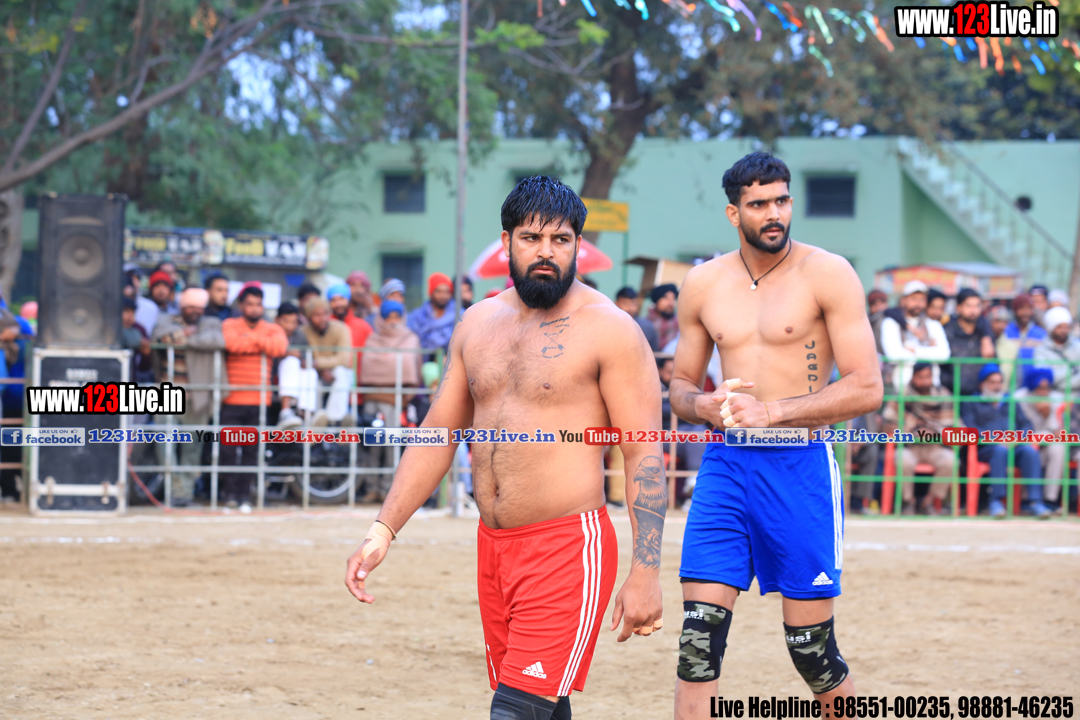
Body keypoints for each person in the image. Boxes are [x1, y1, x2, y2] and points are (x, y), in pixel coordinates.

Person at [345, 176, 666, 720]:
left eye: (560, 240)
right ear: (506, 242)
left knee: (515, 708)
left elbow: (644, 454)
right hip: (494, 548)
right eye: (531, 238)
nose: (546, 252)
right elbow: (438, 433)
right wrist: (382, 531)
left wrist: (646, 570)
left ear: (577, 245)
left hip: (567, 547)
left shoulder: (611, 330)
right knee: (541, 704)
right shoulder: (476, 322)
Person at [667, 152, 882, 716]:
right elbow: (680, 386)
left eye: (782, 200)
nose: (774, 214)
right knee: (696, 646)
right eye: (759, 204)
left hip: (800, 464)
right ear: (733, 213)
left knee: (812, 652)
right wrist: (704, 405)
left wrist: (773, 411)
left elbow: (867, 387)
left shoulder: (828, 273)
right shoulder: (703, 283)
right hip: (726, 466)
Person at [151, 288, 226, 506]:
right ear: (182, 307)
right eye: (190, 307)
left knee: (192, 449)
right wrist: (190, 336)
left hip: (196, 396)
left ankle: (184, 494)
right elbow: (160, 337)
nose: (195, 311)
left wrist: (185, 339)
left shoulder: (211, 322)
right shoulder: (166, 319)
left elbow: (216, 340)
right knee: (164, 445)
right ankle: (174, 489)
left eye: (199, 307)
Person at [220, 286, 288, 509]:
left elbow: (279, 347)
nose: (254, 308)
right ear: (241, 305)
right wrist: (261, 343)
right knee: (228, 450)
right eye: (249, 304)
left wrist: (249, 338)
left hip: (259, 400)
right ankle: (229, 494)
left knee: (252, 451)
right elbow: (231, 343)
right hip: (232, 399)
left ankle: (244, 495)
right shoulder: (229, 324)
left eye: (258, 304)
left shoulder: (273, 328)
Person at [961, 364, 1052, 519]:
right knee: (1000, 451)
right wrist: (998, 439)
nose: (997, 386)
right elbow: (972, 429)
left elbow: (1026, 425)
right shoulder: (972, 403)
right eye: (992, 382)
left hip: (1014, 446)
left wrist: (1016, 438)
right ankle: (996, 502)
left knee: (1029, 452)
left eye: (999, 382)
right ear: (982, 384)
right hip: (987, 449)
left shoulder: (1009, 401)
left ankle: (1035, 502)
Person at [357, 299, 422, 502]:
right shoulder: (372, 339)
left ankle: (388, 490)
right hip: (372, 399)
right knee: (372, 445)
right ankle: (371, 489)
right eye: (389, 317)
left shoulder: (410, 339)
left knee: (391, 446)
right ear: (382, 318)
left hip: (396, 400)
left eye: (396, 316)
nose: (393, 321)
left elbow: (411, 367)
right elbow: (368, 366)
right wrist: (390, 365)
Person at [880, 363, 955, 515]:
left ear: (932, 377)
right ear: (913, 377)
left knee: (950, 461)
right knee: (903, 461)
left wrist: (933, 432)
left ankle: (929, 502)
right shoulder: (901, 395)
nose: (924, 381)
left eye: (928, 377)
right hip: (909, 446)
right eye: (920, 377)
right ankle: (909, 502)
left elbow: (953, 427)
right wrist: (912, 431)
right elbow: (887, 425)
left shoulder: (944, 395)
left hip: (935, 447)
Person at [1014, 367, 1068, 512]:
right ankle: (1027, 501)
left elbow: (1057, 432)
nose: (1044, 392)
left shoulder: (1056, 398)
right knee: (1029, 451)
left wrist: (1047, 415)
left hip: (1045, 442)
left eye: (1047, 388)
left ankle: (1050, 499)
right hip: (1024, 444)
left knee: (1059, 448)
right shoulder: (1019, 398)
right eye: (1040, 388)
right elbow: (1020, 429)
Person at [879, 280, 950, 390]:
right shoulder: (890, 323)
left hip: (931, 389)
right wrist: (930, 351)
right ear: (904, 300)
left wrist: (915, 350)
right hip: (902, 389)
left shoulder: (933, 324)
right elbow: (894, 356)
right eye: (914, 299)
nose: (918, 304)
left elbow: (944, 355)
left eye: (922, 299)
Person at [301, 297, 356, 427]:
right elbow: (303, 361)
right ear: (309, 317)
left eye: (325, 314)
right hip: (316, 373)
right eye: (317, 315)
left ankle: (334, 420)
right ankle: (314, 420)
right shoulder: (303, 332)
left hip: (335, 373)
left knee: (341, 373)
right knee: (309, 376)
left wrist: (318, 364)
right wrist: (320, 370)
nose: (323, 318)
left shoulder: (341, 329)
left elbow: (344, 359)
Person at [940, 288, 995, 397]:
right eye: (968, 306)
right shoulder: (947, 331)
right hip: (950, 393)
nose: (973, 310)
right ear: (958, 308)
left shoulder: (984, 331)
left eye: (977, 306)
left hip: (977, 396)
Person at [997, 293, 1046, 389]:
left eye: (1029, 309)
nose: (1025, 313)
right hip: (1009, 386)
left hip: (1034, 388)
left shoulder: (1041, 334)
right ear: (1015, 310)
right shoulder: (1006, 331)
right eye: (1021, 309)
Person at [272, 302, 309, 429]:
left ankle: (306, 414)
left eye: (294, 322)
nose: (290, 326)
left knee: (310, 372)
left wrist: (302, 361)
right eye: (285, 321)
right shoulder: (271, 333)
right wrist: (285, 354)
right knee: (291, 361)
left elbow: (306, 358)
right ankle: (285, 412)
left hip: (295, 380)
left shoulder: (300, 336)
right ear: (276, 320)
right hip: (274, 378)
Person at [328, 282, 373, 380]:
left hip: (358, 381)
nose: (338, 304)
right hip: (329, 380)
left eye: (341, 299)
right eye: (333, 300)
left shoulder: (363, 326)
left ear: (348, 300)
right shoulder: (325, 325)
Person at [407, 272, 457, 357]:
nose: (443, 296)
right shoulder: (418, 315)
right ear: (431, 292)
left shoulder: (459, 314)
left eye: (446, 292)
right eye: (439, 291)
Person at [1032, 307, 1080, 394]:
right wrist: (1070, 370)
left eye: (1066, 327)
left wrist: (1062, 385)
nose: (1063, 331)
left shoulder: (1077, 347)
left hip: (1076, 394)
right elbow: (1044, 377)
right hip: (1051, 395)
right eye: (1059, 327)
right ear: (1051, 328)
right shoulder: (1041, 349)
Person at [647, 283, 680, 349]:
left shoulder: (679, 323)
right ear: (657, 301)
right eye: (666, 298)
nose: (671, 303)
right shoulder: (646, 324)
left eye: (673, 298)